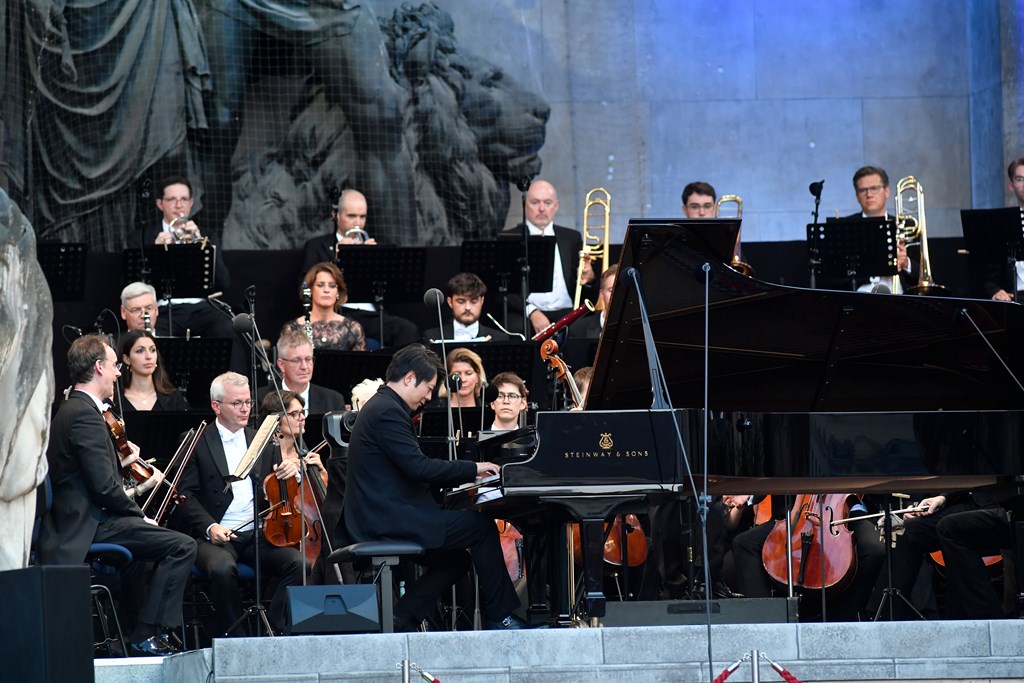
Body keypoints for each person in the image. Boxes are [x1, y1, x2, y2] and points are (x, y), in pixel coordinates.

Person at [341, 343, 525, 630]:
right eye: (428, 388)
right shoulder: (388, 410)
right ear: (410, 377)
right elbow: (418, 467)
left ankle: (403, 617)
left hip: (385, 513)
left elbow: (409, 470)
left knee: (456, 560)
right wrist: (473, 469)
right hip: (387, 518)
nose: (429, 397)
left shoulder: (383, 406)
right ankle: (501, 617)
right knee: (481, 527)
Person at [39, 335, 196, 655]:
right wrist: (141, 517)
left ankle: (129, 633)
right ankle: (147, 632)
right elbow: (104, 489)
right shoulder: (85, 415)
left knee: (139, 557)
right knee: (182, 546)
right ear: (99, 368)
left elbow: (96, 477)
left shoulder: (76, 410)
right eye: (114, 366)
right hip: (88, 523)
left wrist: (122, 463)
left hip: (87, 518)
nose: (118, 373)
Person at [175, 372, 308, 635]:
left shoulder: (262, 439)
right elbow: (185, 495)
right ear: (216, 406)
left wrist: (291, 471)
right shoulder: (196, 440)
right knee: (223, 569)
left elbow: (277, 486)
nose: (245, 408)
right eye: (237, 403)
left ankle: (273, 628)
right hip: (216, 534)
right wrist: (210, 527)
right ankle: (237, 635)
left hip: (258, 533)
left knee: (299, 563)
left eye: (247, 401)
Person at [134, 176, 250, 375]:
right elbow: (134, 283)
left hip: (201, 308)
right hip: (163, 309)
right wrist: (155, 250)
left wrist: (200, 245)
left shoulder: (206, 234)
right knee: (148, 339)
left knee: (228, 329)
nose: (179, 205)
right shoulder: (145, 236)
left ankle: (239, 392)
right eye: (172, 199)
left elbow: (224, 282)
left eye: (184, 199)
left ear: (191, 203)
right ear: (160, 204)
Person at [301, 189, 419, 347]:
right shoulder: (317, 246)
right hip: (340, 312)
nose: (357, 223)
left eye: (362, 217)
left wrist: (376, 258)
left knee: (407, 329)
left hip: (372, 314)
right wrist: (335, 259)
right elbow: (305, 286)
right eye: (351, 216)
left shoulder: (368, 241)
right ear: (336, 215)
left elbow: (388, 286)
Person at [502, 180, 595, 336]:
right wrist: (532, 312)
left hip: (566, 310)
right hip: (527, 311)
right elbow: (504, 291)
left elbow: (584, 286)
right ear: (525, 204)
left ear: (556, 206)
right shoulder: (510, 238)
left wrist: (590, 279)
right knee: (515, 328)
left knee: (583, 327)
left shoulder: (572, 237)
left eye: (548, 202)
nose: (542, 208)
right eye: (535, 202)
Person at [935, 494, 1023, 619]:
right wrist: (944, 498)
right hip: (995, 500)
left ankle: (989, 618)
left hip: (1008, 506)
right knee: (913, 529)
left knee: (950, 529)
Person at [833, 166, 914, 293]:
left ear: (887, 191)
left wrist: (905, 263)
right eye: (863, 190)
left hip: (899, 298)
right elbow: (833, 277)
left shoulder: (907, 225)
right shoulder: (844, 227)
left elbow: (923, 275)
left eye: (874, 188)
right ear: (857, 196)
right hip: (858, 298)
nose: (869, 194)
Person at [257, 330, 346, 416]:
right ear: (281, 365)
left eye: (308, 359)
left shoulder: (333, 400)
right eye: (296, 360)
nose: (304, 367)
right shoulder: (260, 399)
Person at [284, 262, 366, 351]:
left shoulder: (353, 329)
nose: (326, 290)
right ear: (310, 290)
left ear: (338, 292)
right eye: (320, 285)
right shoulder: (292, 329)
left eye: (332, 286)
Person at [424, 272, 510, 342]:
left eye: (474, 301)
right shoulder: (432, 337)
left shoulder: (499, 339)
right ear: (450, 302)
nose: (467, 307)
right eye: (461, 301)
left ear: (482, 301)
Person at [983, 157, 1024, 301]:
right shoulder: (1002, 224)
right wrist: (996, 291)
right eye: (1020, 179)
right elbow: (989, 278)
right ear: (1011, 185)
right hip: (1016, 299)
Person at [119, 330, 190, 411]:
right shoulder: (116, 400)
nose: (148, 356)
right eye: (140, 351)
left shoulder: (173, 398)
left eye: (152, 350)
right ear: (127, 359)